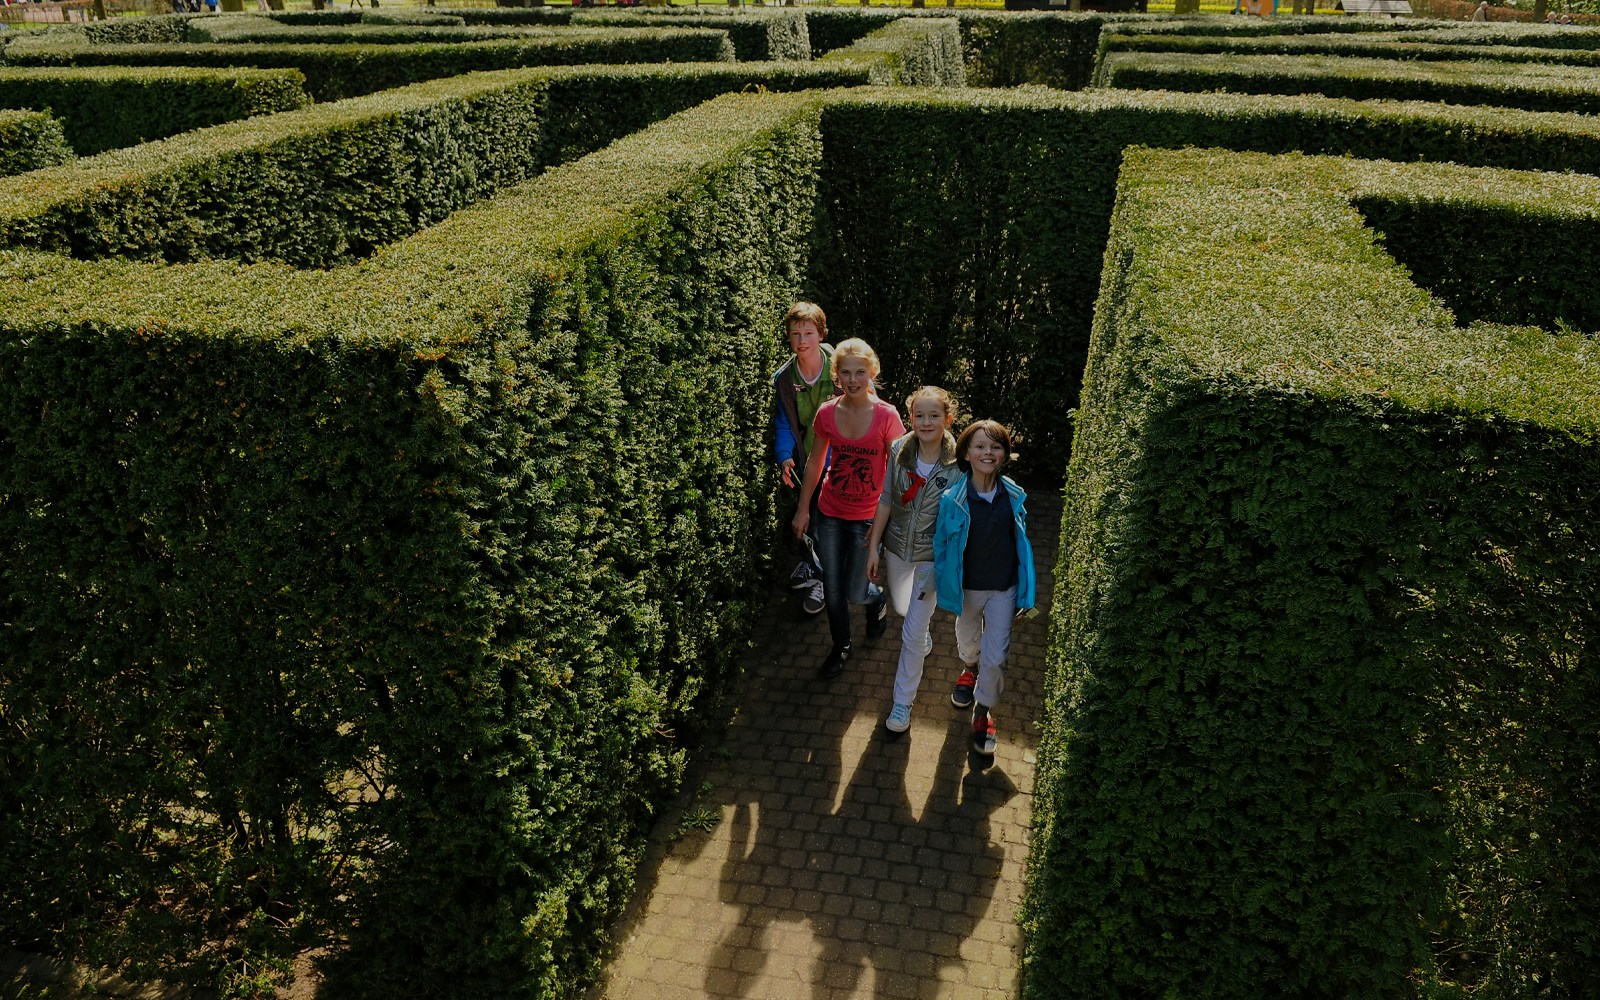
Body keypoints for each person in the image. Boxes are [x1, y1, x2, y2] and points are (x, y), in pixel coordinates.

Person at [793, 339, 903, 679]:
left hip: (867, 518)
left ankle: (877, 600)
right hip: (829, 511)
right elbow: (815, 462)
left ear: (872, 372)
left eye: (860, 372)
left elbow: (899, 469)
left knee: (856, 590)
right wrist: (803, 509)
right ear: (836, 375)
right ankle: (841, 646)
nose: (853, 379)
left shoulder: (887, 416)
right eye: (846, 373)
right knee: (833, 586)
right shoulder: (827, 412)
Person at [933, 420, 1036, 758]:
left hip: (1003, 589)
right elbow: (942, 547)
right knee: (968, 643)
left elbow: (1021, 545)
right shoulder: (953, 499)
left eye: (995, 446)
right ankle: (968, 669)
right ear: (966, 452)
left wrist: (1026, 591)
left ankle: (983, 713)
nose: (987, 453)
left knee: (997, 657)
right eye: (980, 446)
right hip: (967, 590)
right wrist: (939, 584)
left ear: (1005, 453)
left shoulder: (1014, 495)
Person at [866, 386, 960, 734]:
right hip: (897, 550)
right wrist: (874, 546)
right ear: (911, 418)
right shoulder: (898, 450)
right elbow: (887, 499)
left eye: (934, 415)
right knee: (903, 610)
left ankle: (902, 704)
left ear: (948, 419)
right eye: (919, 415)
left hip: (932, 558)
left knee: (911, 630)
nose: (926, 421)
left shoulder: (959, 462)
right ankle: (920, 637)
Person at [773, 301, 838, 615]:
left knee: (825, 523)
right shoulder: (784, 378)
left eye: (808, 333)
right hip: (808, 461)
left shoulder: (841, 368)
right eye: (795, 333)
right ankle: (810, 566)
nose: (801, 340)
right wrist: (785, 456)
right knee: (805, 518)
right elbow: (785, 422)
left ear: (821, 335)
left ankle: (825, 579)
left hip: (839, 462)